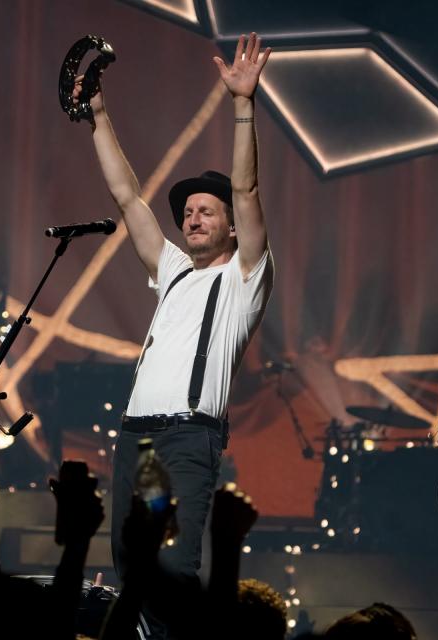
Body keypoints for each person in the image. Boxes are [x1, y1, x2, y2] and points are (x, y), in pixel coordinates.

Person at [78, 33, 273, 635]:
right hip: (136, 440)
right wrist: (99, 116)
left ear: (233, 229)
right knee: (131, 572)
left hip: (189, 440)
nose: (191, 216)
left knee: (172, 571)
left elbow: (246, 189)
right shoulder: (172, 271)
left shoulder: (246, 277)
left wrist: (243, 105)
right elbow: (125, 196)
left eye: (205, 211)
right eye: (187, 211)